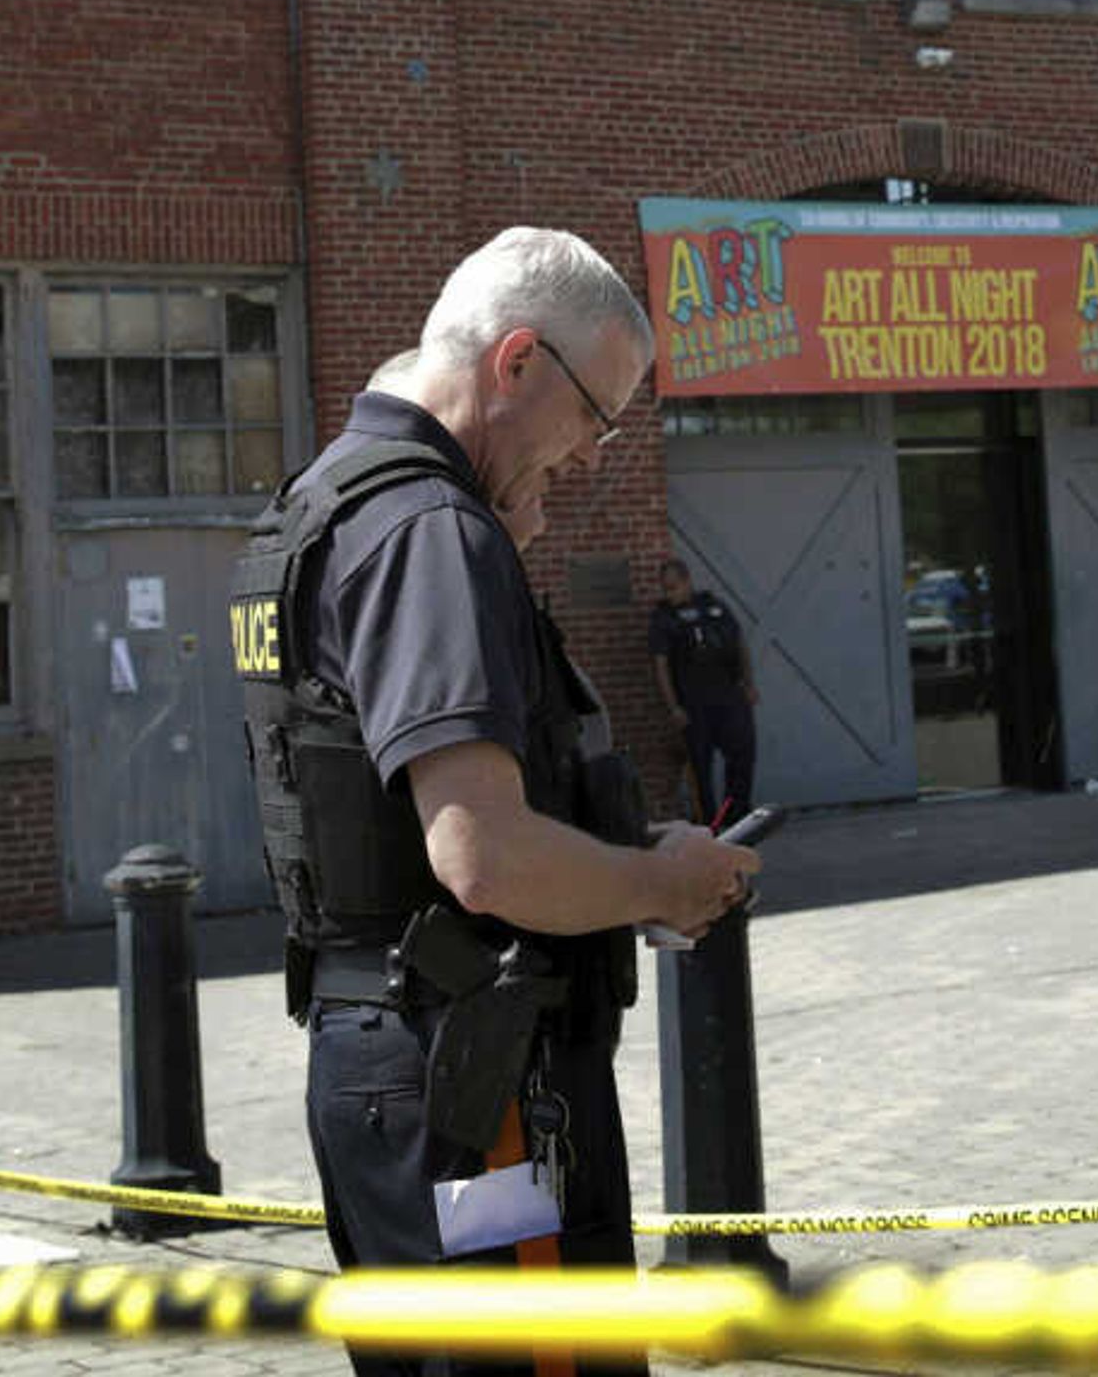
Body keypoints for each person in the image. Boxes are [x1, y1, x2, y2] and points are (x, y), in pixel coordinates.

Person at [231, 228, 759, 1377]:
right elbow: (484, 857)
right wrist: (660, 882)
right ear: (517, 362)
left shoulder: (321, 500)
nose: (587, 457)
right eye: (595, 417)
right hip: (484, 1098)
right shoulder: (430, 531)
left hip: (384, 1065)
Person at [646, 557, 758, 823]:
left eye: (673, 587)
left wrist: (749, 683)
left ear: (687, 582)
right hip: (693, 703)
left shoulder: (714, 607)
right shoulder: (664, 618)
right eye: (665, 588)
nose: (669, 593)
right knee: (700, 770)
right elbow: (660, 665)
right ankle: (711, 824)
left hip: (729, 695)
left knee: (743, 756)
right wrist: (674, 707)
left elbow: (739, 644)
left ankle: (736, 814)